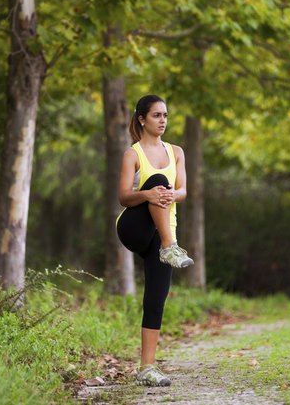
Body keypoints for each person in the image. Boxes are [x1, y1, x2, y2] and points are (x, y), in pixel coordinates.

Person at [116, 94, 194, 387]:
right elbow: (123, 196)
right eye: (156, 115)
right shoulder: (132, 154)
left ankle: (146, 368)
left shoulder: (176, 152)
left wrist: (174, 195)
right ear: (142, 119)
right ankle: (169, 247)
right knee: (156, 183)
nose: (162, 120)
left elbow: (183, 190)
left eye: (165, 115)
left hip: (163, 232)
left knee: (156, 299)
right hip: (133, 227)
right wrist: (149, 194)